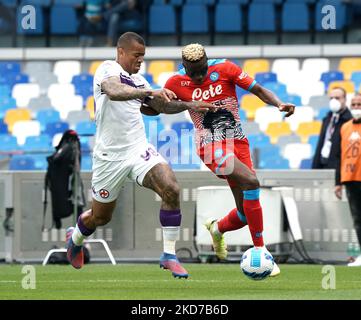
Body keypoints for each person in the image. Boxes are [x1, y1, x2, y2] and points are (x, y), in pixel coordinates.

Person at [65, 32, 215, 278]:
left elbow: (161, 106)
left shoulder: (141, 81)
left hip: (138, 149)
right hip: (109, 157)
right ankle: (76, 237)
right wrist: (148, 92)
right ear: (121, 52)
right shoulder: (107, 70)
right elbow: (114, 91)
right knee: (100, 217)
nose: (140, 61)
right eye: (137, 55)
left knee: (171, 188)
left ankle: (169, 255)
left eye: (143, 57)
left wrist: (189, 105)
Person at [161, 43, 295, 277]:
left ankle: (217, 227)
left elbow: (259, 90)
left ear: (207, 62)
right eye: (194, 72)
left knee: (244, 214)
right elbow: (161, 106)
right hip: (209, 144)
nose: (200, 75)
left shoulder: (226, 68)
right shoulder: (175, 82)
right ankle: (261, 252)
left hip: (237, 141)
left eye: (203, 69)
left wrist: (278, 104)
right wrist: (171, 102)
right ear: (184, 67)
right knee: (252, 182)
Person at [335, 94, 361, 267]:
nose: (356, 106)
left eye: (359, 104)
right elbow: (339, 156)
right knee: (358, 219)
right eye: (354, 104)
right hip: (350, 178)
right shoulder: (344, 127)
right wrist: (338, 181)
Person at [312, 87, 352, 170]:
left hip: (339, 168)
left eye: (337, 98)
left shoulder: (349, 121)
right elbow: (320, 144)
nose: (334, 101)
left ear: (344, 99)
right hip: (323, 165)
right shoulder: (326, 119)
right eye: (331, 98)